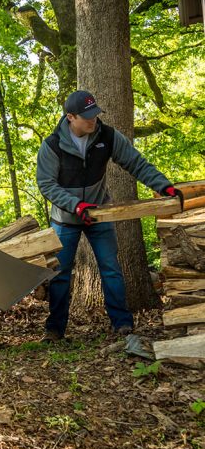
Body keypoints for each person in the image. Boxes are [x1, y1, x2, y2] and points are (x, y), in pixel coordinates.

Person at [36, 90, 182, 342]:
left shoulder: (107, 136)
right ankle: (55, 329)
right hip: (65, 219)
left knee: (111, 269)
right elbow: (47, 185)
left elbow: (136, 163)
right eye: (87, 117)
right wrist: (76, 205)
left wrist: (163, 186)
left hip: (100, 214)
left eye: (95, 114)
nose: (93, 120)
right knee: (60, 275)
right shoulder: (52, 145)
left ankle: (122, 325)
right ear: (70, 117)